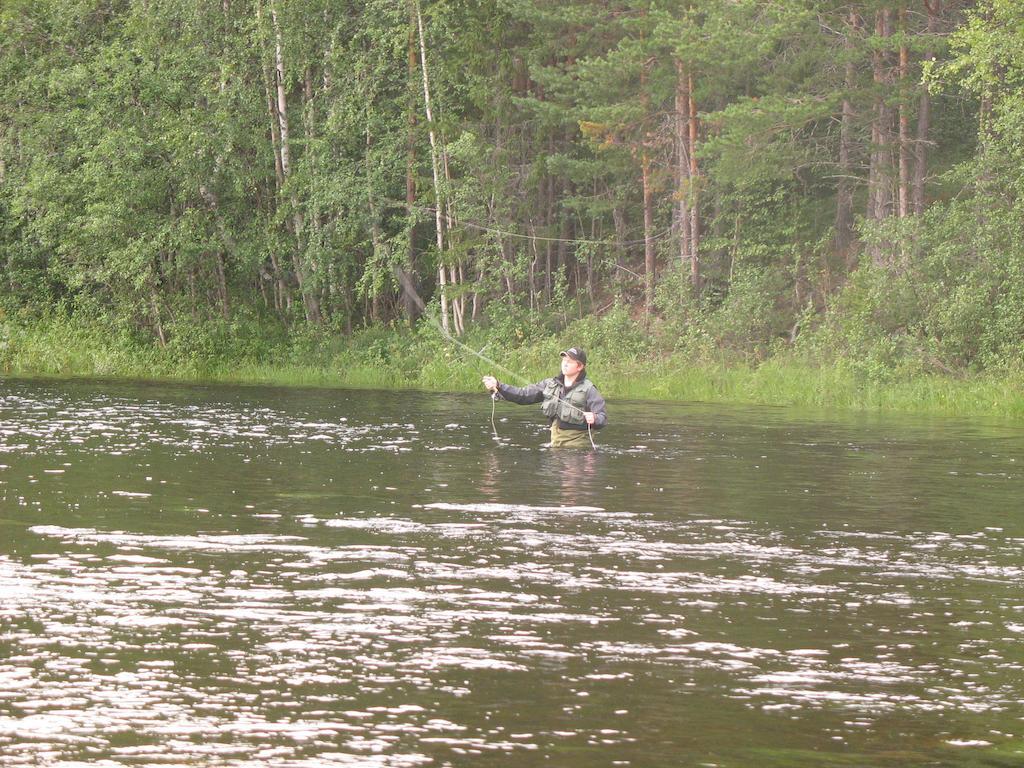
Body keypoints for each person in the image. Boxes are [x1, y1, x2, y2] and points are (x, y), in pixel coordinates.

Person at [482, 346, 607, 447]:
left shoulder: (589, 389)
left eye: (569, 362)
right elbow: (523, 395)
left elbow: (602, 418)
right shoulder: (549, 384)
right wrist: (499, 386)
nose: (565, 364)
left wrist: (594, 418)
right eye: (564, 361)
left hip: (579, 447)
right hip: (555, 444)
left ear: (580, 366)